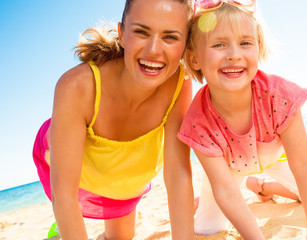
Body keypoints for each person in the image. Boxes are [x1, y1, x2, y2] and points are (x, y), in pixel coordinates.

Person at [178, 1, 307, 239]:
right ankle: (233, 190)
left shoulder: (278, 95)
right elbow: (225, 190)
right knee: (206, 228)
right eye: (218, 44)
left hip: (276, 160)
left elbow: (303, 163)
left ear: (258, 48)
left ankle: (262, 186)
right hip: (228, 174)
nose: (234, 55)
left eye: (245, 43)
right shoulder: (198, 121)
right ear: (195, 58)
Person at [32, 0, 195, 239]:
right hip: (82, 165)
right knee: (68, 220)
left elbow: (177, 173)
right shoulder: (76, 86)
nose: (153, 50)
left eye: (170, 37)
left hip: (127, 173)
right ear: (121, 34)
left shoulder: (179, 83)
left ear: (186, 44)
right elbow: (64, 194)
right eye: (141, 32)